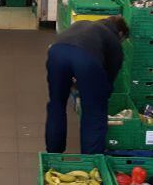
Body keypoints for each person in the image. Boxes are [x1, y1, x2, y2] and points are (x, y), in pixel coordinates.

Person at [45, 15, 130, 154]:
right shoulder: (113, 40)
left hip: (56, 52)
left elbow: (72, 52)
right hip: (86, 59)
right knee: (94, 112)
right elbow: (109, 77)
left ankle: (54, 152)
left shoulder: (83, 24)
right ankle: (91, 161)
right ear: (120, 33)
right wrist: (100, 94)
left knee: (56, 105)